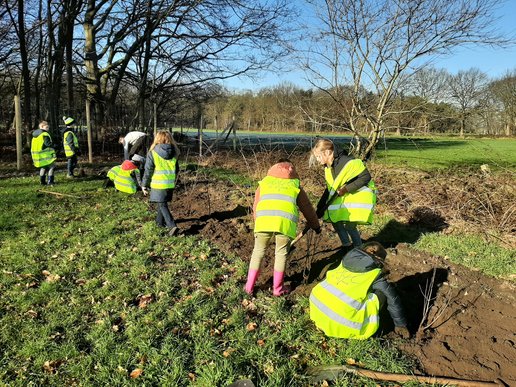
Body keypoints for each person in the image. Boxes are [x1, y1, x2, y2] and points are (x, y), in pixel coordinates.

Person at [244, 160, 321, 297]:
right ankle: (278, 289)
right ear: (292, 170)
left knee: (258, 252)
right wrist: (315, 226)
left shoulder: (264, 183)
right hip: (284, 224)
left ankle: (249, 287)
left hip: (263, 221)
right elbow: (307, 208)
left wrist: (258, 222)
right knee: (281, 254)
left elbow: (256, 205)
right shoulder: (295, 186)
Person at [309, 241, 410, 339]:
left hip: (317, 307)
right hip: (343, 324)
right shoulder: (374, 274)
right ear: (379, 259)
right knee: (382, 293)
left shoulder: (345, 261)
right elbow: (393, 298)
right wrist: (400, 325)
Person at [311, 138, 376, 248]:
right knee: (336, 222)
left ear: (327, 152)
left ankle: (358, 250)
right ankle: (346, 247)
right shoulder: (328, 168)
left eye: (318, 156)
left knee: (350, 227)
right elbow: (330, 189)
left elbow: (366, 177)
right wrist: (320, 208)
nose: (317, 160)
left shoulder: (348, 162)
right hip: (346, 199)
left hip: (358, 198)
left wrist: (346, 189)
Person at [141, 131, 180, 235]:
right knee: (161, 202)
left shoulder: (153, 153)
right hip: (170, 184)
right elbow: (176, 170)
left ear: (157, 139)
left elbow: (148, 170)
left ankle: (172, 226)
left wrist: (144, 184)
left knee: (162, 204)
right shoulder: (175, 153)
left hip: (158, 184)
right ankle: (159, 223)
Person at [31, 120, 57, 186]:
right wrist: (54, 145)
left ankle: (42, 182)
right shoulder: (45, 134)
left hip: (39, 156)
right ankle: (50, 181)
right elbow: (47, 144)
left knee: (43, 168)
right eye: (47, 127)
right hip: (46, 155)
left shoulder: (35, 136)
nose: (48, 129)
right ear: (42, 126)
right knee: (52, 167)